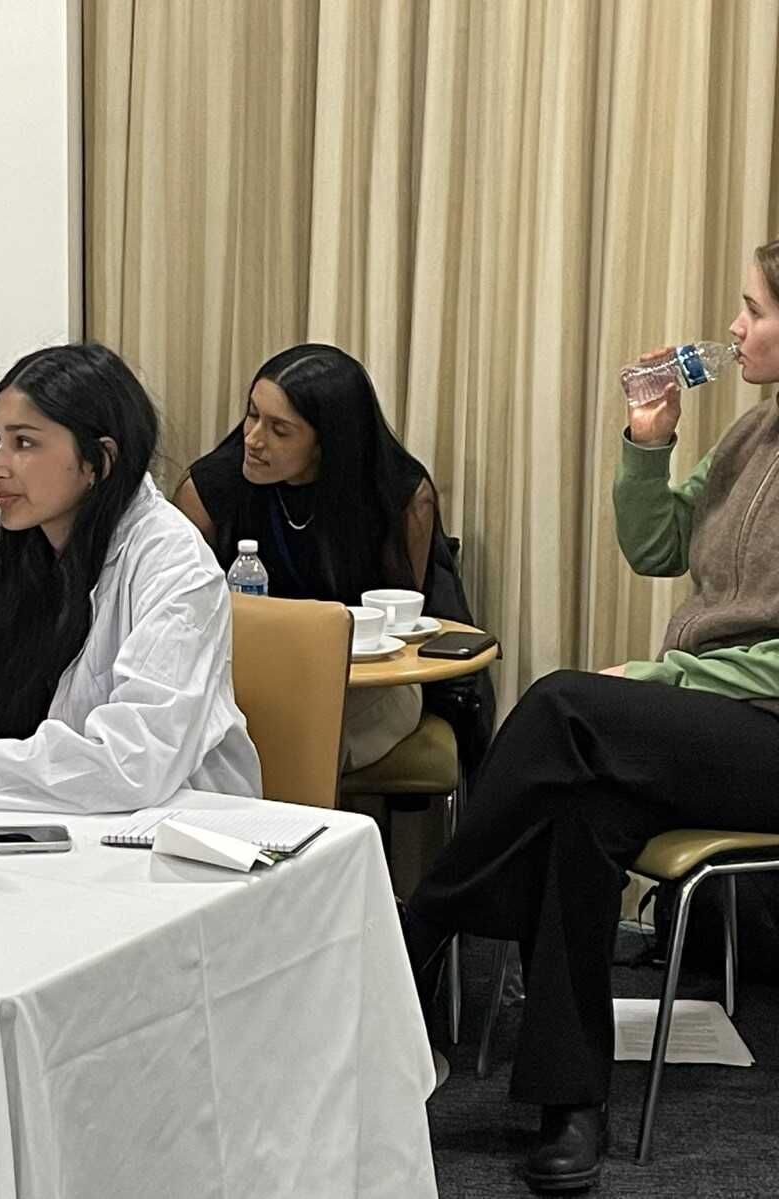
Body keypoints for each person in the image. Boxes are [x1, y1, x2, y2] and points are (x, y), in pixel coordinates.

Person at [398, 239, 779, 1195]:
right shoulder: (753, 435)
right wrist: (648, 442)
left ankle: (426, 922)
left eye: (755, 310)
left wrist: (665, 678)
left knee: (567, 702)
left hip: (768, 736)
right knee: (579, 810)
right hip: (714, 728)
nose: (735, 328)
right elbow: (658, 547)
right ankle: (572, 1102)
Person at [0, 342, 262, 812]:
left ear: (99, 460)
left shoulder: (174, 563)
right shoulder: (3, 549)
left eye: (24, 443)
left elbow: (132, 763)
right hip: (31, 823)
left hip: (167, 830)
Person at [175, 343, 492, 771]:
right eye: (252, 415)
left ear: (327, 442)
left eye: (279, 430)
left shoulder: (398, 498)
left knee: (296, 742)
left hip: (368, 683)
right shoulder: (211, 490)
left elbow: (400, 630)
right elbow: (182, 615)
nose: (253, 440)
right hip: (244, 679)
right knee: (218, 733)